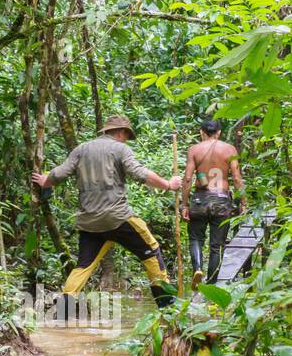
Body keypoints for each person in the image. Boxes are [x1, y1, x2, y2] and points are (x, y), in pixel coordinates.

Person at [32, 113, 182, 310]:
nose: (127, 139)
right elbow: (140, 173)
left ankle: (64, 310)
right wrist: (169, 185)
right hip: (118, 218)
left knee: (83, 266)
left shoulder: (81, 149)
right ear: (121, 132)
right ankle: (166, 305)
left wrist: (46, 180)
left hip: (89, 222)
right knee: (151, 251)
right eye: (127, 136)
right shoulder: (120, 149)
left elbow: (59, 174)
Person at [182, 118, 245, 285]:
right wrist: (243, 202)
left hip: (200, 200)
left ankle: (197, 268)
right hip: (222, 201)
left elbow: (188, 179)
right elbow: (237, 178)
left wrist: (184, 205)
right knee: (216, 246)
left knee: (196, 238)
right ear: (219, 133)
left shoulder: (194, 150)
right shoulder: (230, 149)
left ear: (201, 133)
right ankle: (211, 284)